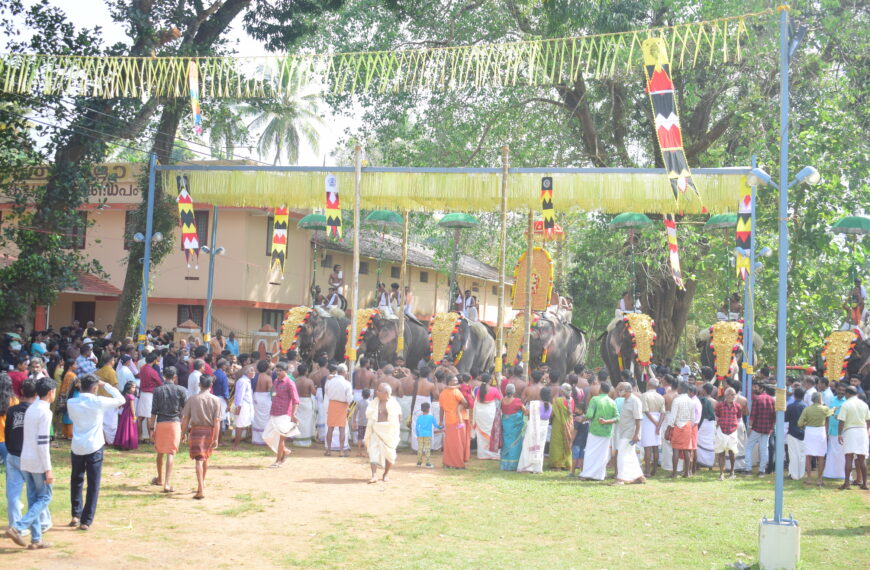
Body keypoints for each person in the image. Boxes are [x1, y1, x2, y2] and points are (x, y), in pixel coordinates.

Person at [66, 374, 125, 531]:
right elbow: (121, 399)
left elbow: (72, 398)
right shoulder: (97, 401)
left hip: (77, 445)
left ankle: (75, 515)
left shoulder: (71, 402)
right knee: (93, 483)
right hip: (94, 445)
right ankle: (86, 520)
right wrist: (105, 384)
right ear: (94, 388)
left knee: (76, 480)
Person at [6, 377, 56, 549]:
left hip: (25, 459)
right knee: (45, 497)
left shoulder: (31, 409)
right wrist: (48, 469)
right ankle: (18, 527)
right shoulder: (45, 412)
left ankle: (36, 539)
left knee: (33, 498)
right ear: (50, 393)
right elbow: (43, 443)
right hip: (37, 461)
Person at [180, 374, 221, 500]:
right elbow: (217, 421)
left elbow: (185, 418)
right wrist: (216, 438)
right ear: (211, 385)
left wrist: (183, 432)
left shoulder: (192, 399)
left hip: (196, 430)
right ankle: (201, 484)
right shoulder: (215, 400)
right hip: (209, 431)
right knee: (205, 458)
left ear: (199, 385)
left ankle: (201, 489)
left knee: (199, 459)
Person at [264, 361, 299, 468]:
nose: (277, 372)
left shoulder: (290, 383)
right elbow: (273, 394)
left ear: (285, 371)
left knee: (281, 438)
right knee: (266, 436)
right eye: (276, 370)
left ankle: (278, 461)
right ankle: (285, 451)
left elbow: (296, 400)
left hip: (284, 413)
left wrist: (293, 414)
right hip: (274, 412)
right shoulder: (275, 381)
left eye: (280, 371)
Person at [364, 382, 402, 483]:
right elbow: (370, 415)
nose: (376, 392)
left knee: (390, 455)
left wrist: (394, 430)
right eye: (377, 390)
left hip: (388, 432)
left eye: (379, 390)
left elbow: (398, 418)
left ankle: (386, 474)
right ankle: (374, 475)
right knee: (373, 452)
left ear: (386, 393)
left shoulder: (393, 404)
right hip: (375, 430)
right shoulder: (375, 402)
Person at [580, 382, 617, 481]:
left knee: (590, 452)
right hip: (607, 432)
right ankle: (599, 475)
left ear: (600, 389)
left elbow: (589, 415)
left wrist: (582, 418)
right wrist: (606, 422)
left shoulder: (595, 399)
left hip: (595, 430)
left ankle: (587, 474)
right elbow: (617, 417)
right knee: (602, 454)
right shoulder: (612, 402)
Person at [837, 385, 870, 490]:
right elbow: (868, 420)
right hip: (862, 431)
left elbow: (841, 421)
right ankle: (864, 484)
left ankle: (846, 483)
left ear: (847, 393)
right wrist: (867, 431)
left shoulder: (846, 404)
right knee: (862, 459)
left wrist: (839, 434)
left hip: (850, 431)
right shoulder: (864, 404)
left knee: (849, 458)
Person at [614, 382, 645, 485]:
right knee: (630, 455)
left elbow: (638, 419)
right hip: (624, 432)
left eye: (621, 389)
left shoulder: (635, 401)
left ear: (627, 390)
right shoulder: (625, 401)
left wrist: (637, 434)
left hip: (630, 433)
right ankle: (639, 477)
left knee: (621, 455)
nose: (619, 391)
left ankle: (621, 479)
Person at [797, 392, 831, 486]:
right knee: (821, 456)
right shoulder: (825, 409)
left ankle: (809, 478)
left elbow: (799, 423)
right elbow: (829, 416)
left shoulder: (807, 409)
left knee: (808, 456)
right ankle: (819, 479)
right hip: (820, 432)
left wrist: (805, 424)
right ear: (820, 399)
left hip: (809, 432)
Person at [518, 386, 552, 474]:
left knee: (528, 446)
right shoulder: (550, 405)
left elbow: (526, 413)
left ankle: (526, 467)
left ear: (540, 395)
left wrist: (522, 406)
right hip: (543, 429)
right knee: (539, 447)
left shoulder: (536, 404)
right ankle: (537, 468)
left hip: (533, 428)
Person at [743, 382, 775, 476]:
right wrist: (772, 427)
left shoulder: (757, 399)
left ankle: (748, 469)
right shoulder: (772, 400)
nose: (754, 389)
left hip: (756, 428)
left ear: (761, 388)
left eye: (756, 387)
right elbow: (774, 416)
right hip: (767, 428)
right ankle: (762, 471)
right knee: (764, 449)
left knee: (749, 447)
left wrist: (749, 427)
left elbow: (753, 415)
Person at [439, 376, 469, 469]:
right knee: (458, 443)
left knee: (449, 443)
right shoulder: (456, 392)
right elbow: (466, 403)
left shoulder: (443, 393)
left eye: (456, 381)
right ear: (449, 382)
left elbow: (441, 409)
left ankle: (447, 463)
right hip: (457, 420)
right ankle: (458, 464)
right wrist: (460, 407)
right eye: (454, 381)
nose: (456, 382)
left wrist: (441, 421)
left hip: (448, 420)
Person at [324, 363, 353, 456]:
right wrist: (348, 405)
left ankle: (328, 450)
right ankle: (341, 451)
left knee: (330, 428)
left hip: (332, 404)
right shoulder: (347, 383)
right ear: (344, 372)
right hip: (342, 405)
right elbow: (349, 398)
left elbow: (327, 392)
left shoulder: (330, 381)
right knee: (342, 429)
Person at [669, 381, 696, 478]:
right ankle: (687, 473)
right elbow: (693, 418)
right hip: (688, 425)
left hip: (678, 425)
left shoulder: (677, 400)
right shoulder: (691, 401)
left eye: (679, 387)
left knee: (675, 449)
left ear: (681, 389)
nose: (677, 389)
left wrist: (670, 427)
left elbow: (673, 416)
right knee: (687, 450)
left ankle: (674, 473)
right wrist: (689, 425)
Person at [713, 388, 741, 480]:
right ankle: (721, 474)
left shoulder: (737, 406)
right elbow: (717, 416)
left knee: (732, 452)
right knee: (721, 452)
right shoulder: (719, 405)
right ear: (725, 396)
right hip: (722, 430)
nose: (731, 396)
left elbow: (739, 418)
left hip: (732, 431)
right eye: (729, 394)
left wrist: (735, 426)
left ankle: (732, 472)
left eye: (733, 394)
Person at [640, 378, 665, 476]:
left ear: (648, 385)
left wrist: (655, 424)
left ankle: (647, 471)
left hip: (648, 421)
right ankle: (654, 470)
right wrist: (658, 425)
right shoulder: (660, 397)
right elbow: (663, 412)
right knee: (655, 447)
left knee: (647, 447)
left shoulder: (644, 395)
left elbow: (646, 411)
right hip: (658, 419)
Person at [137, 351, 163, 443]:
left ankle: (140, 437)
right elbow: (160, 383)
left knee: (140, 417)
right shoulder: (152, 371)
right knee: (149, 417)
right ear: (154, 360)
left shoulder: (142, 368)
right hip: (150, 394)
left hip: (143, 393)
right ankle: (151, 438)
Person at [94, 353, 120, 444]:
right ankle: (111, 441)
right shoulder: (111, 371)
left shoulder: (97, 371)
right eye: (113, 360)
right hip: (109, 400)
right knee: (111, 424)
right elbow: (115, 386)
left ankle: (103, 440)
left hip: (99, 399)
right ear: (110, 361)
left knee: (102, 422)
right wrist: (118, 400)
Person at [547, 384, 574, 470]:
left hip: (558, 425)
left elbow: (552, 414)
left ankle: (557, 465)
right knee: (567, 443)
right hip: (569, 425)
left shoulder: (557, 400)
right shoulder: (572, 400)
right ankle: (567, 464)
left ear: (561, 391)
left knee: (557, 444)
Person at [499, 383, 526, 471]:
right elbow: (526, 412)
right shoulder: (518, 401)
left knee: (506, 443)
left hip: (506, 426)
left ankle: (505, 465)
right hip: (515, 428)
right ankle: (514, 465)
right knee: (515, 444)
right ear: (514, 391)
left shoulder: (502, 400)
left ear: (506, 391)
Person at [823, 382, 847, 480]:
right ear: (836, 390)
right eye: (839, 390)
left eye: (843, 391)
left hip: (842, 432)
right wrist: (826, 429)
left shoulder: (847, 402)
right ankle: (830, 473)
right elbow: (827, 416)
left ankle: (842, 474)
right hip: (832, 430)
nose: (841, 392)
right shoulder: (832, 400)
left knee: (841, 454)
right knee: (831, 452)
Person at [472, 382, 501, 460]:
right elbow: (500, 398)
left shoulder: (478, 390)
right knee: (492, 433)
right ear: (489, 381)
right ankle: (493, 454)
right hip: (490, 414)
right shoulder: (494, 390)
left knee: (481, 435)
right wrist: (499, 387)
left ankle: (482, 454)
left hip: (480, 414)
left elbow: (477, 401)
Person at [784, 387, 807, 480]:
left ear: (794, 395)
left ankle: (793, 474)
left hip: (793, 431)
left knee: (793, 454)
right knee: (802, 454)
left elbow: (786, 419)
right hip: (804, 433)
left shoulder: (790, 406)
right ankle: (800, 474)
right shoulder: (806, 406)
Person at [231, 364, 254, 450]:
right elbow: (240, 395)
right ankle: (236, 446)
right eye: (252, 371)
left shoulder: (246, 381)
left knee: (241, 424)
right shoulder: (243, 381)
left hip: (245, 405)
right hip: (242, 405)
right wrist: (239, 408)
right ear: (248, 373)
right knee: (239, 425)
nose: (254, 372)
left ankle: (237, 444)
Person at [414, 402, 442, 468]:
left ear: (421, 409)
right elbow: (436, 425)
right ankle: (428, 463)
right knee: (427, 449)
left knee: (420, 448)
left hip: (420, 435)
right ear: (429, 409)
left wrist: (418, 435)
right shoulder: (431, 417)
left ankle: (419, 462)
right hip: (428, 435)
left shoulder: (419, 418)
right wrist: (441, 427)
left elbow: (416, 428)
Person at [251, 360, 272, 445]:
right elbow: (270, 390)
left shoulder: (254, 376)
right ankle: (264, 439)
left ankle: (256, 439)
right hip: (265, 398)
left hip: (255, 397)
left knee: (256, 418)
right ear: (267, 368)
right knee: (265, 418)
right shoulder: (268, 378)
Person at [113, 382, 139, 451]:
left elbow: (120, 405)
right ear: (129, 388)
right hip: (129, 414)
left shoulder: (124, 395)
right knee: (129, 428)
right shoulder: (131, 396)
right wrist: (134, 416)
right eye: (133, 387)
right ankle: (127, 444)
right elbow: (132, 407)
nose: (135, 389)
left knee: (123, 428)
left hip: (124, 413)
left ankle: (120, 443)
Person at [212, 359, 231, 443]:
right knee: (219, 420)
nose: (227, 367)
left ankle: (213, 439)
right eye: (226, 365)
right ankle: (218, 440)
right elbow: (225, 391)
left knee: (214, 419)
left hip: (213, 397)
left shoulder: (214, 374)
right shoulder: (223, 375)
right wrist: (228, 403)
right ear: (223, 366)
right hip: (221, 399)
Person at [352, 388, 372, 457]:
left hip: (360, 423)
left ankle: (359, 452)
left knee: (360, 437)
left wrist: (354, 421)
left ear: (361, 395)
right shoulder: (370, 403)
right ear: (369, 395)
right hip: (368, 423)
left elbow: (355, 412)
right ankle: (366, 452)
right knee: (367, 438)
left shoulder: (359, 402)